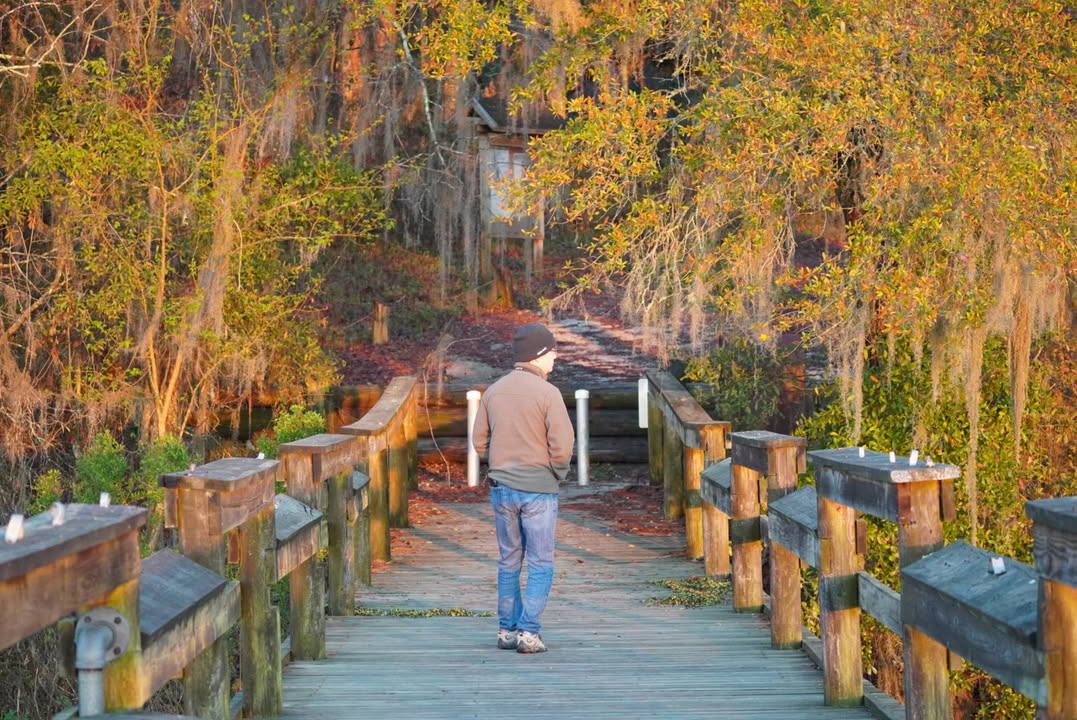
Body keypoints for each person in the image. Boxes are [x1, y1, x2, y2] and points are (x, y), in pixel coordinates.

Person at [472, 322, 575, 654]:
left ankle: (507, 629)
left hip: (502, 488)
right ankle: (529, 632)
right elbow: (563, 445)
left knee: (509, 560)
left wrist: (499, 461)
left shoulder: (494, 391)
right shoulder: (548, 393)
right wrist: (556, 473)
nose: (555, 357)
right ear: (539, 354)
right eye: (553, 351)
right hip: (539, 489)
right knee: (541, 562)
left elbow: (478, 441)